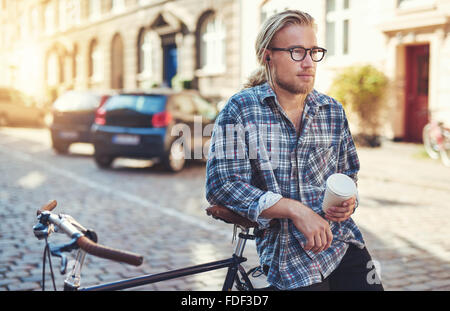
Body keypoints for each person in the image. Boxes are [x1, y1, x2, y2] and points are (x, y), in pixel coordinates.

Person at [205, 10, 384, 291]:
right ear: (268, 56)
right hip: (288, 258)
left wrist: (349, 201)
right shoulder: (240, 109)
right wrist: (295, 210)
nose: (308, 63)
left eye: (314, 52)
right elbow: (222, 185)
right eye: (297, 52)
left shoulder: (332, 111)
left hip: (342, 245)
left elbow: (348, 172)